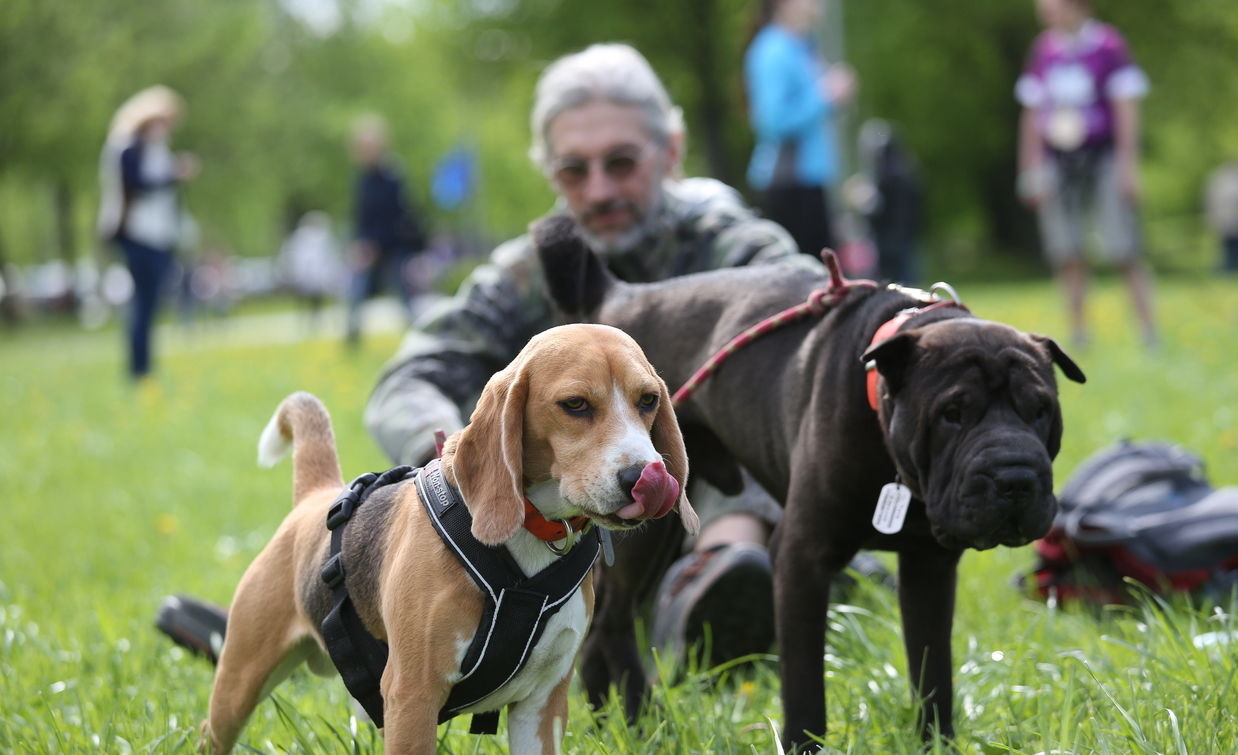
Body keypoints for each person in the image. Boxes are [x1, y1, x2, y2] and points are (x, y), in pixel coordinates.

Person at [157, 44, 814, 669]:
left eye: (622, 163)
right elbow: (412, 375)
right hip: (558, 535)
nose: (598, 189)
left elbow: (816, 324)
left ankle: (723, 581)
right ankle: (310, 622)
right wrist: (465, 464)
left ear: (670, 152)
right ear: (548, 171)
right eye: (573, 170)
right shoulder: (526, 273)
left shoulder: (736, 251)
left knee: (744, 403)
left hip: (725, 515)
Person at [1015, 0, 1157, 348]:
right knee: (1068, 251)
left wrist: (1127, 166)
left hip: (1102, 155)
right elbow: (1032, 114)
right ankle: (1079, 333)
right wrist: (1029, 168)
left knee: (1124, 246)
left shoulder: (1108, 45)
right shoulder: (1044, 50)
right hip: (1058, 161)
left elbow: (1126, 106)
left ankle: (1147, 331)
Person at [97, 85, 200, 379]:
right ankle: (139, 369)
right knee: (143, 301)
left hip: (158, 235)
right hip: (136, 233)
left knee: (150, 302)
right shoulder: (127, 146)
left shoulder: (154, 148)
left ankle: (144, 367)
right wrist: (174, 174)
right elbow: (139, 184)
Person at [744, 0, 856, 259]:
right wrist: (826, 96)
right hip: (789, 185)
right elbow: (772, 121)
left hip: (808, 182)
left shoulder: (801, 47)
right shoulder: (773, 48)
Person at [346, 115, 425, 346]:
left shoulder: (392, 176)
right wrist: (360, 244)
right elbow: (361, 218)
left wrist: (375, 245)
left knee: (404, 298)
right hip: (369, 249)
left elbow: (397, 217)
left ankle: (420, 337)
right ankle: (352, 341)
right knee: (355, 294)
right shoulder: (363, 179)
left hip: (393, 247)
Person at [848, 118, 923, 284]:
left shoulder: (888, 175)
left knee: (897, 276)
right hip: (902, 235)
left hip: (892, 236)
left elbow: (880, 207)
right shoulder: (905, 169)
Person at [277, 210, 344, 329]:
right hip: (310, 275)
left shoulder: (313, 237)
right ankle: (310, 323)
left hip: (313, 275)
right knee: (311, 301)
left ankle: (311, 322)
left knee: (313, 301)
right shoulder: (309, 238)